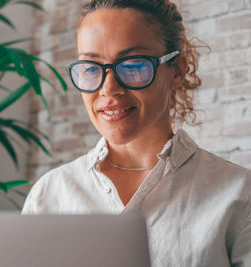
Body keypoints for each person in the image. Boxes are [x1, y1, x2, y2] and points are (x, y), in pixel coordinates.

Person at [22, 0, 251, 266]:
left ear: (176, 70)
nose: (109, 89)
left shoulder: (238, 195)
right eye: (91, 68)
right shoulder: (51, 195)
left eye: (132, 65)